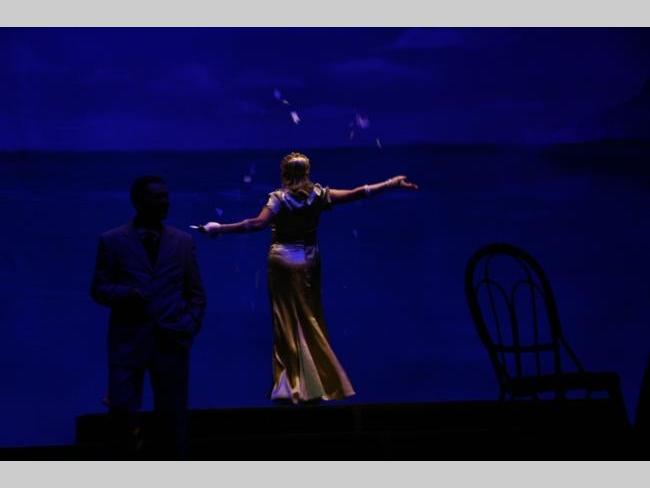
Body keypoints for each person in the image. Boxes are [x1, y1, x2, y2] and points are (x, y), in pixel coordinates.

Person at [196, 152, 417, 404]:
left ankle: (291, 384)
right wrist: (390, 183)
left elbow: (256, 224)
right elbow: (358, 193)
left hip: (283, 262)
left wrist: (220, 229)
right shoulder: (318, 195)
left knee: (286, 321)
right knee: (310, 317)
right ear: (306, 172)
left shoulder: (278, 199)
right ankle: (317, 379)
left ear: (284, 173)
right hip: (310, 260)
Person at [91, 175, 206, 458]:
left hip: (171, 339)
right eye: (157, 197)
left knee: (173, 415)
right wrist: (125, 294)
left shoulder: (182, 242)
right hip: (128, 340)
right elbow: (99, 288)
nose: (165, 202)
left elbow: (195, 292)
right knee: (122, 411)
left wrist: (188, 325)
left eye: (166, 196)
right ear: (139, 201)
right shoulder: (112, 241)